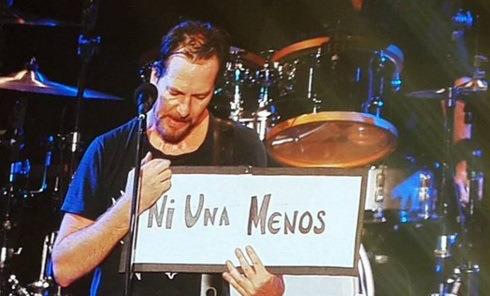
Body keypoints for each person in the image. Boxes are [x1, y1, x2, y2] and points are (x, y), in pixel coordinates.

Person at [51, 20, 285, 296]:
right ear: (154, 77)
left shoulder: (242, 146)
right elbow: (63, 270)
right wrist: (130, 205)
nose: (184, 109)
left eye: (200, 96)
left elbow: (273, 275)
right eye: (174, 92)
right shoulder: (109, 148)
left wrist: (268, 290)